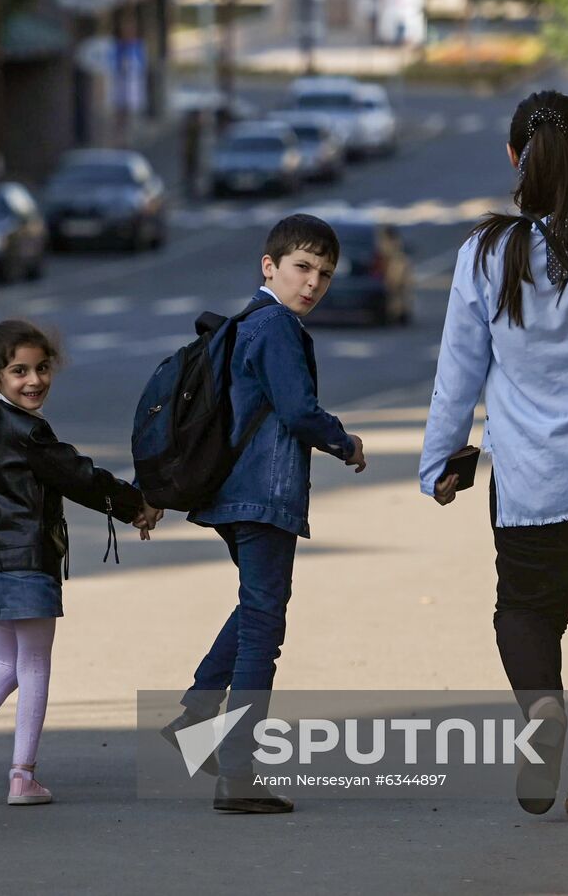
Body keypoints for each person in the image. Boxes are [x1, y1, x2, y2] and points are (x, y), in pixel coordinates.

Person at [418, 90, 568, 820]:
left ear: (513, 156)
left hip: (529, 477)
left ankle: (541, 709)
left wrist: (440, 462)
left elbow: (457, 373)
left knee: (525, 610)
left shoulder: (484, 252)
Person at [0, 321, 161, 806]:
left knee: (4, 662)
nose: (35, 380)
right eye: (20, 371)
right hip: (30, 563)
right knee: (34, 663)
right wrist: (134, 505)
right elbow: (80, 476)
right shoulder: (29, 432)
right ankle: (22, 777)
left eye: (42, 368)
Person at [162, 214, 366, 814]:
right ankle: (237, 770)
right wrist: (345, 442)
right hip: (264, 495)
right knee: (263, 631)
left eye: (324, 273)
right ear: (269, 266)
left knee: (257, 607)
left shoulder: (247, 322)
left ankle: (198, 712)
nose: (313, 283)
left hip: (232, 493)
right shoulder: (276, 325)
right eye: (302, 267)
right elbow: (298, 411)